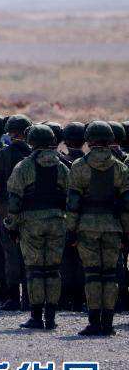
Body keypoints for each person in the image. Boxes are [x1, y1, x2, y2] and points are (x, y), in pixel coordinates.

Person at [66, 121, 129, 336]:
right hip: (113, 227)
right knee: (110, 275)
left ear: (89, 140)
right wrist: (126, 233)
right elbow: (126, 205)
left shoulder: (79, 166)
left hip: (87, 227)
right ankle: (108, 323)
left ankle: (94, 322)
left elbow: (73, 203)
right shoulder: (121, 167)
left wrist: (71, 230)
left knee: (92, 275)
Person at [5, 125, 68, 330]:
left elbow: (14, 200)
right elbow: (71, 198)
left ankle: (36, 316)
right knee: (52, 270)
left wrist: (11, 226)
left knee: (34, 271)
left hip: (31, 224)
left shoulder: (23, 167)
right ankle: (50, 317)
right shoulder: (62, 167)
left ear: (31, 142)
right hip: (57, 222)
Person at [0, 114, 33, 310]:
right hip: (30, 207)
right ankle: (30, 299)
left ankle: (13, 297)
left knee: (11, 253)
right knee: (31, 253)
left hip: (6, 207)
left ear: (9, 132)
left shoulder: (1, 154)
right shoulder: (33, 153)